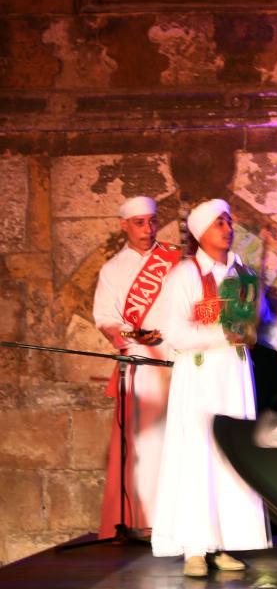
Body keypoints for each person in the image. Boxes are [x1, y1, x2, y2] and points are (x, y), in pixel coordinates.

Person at [151, 199, 277, 577]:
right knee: (198, 454)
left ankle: (223, 542)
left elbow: (261, 325)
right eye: (219, 223)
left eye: (229, 222)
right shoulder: (184, 275)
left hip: (234, 376)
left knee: (229, 455)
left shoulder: (243, 274)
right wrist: (222, 334)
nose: (228, 229)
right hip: (200, 377)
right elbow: (174, 332)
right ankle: (195, 548)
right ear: (200, 232)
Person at [93, 196, 182, 538]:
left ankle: (183, 520)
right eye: (139, 223)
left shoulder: (176, 260)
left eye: (152, 221)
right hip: (142, 364)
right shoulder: (112, 270)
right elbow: (105, 318)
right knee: (148, 445)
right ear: (124, 225)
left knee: (183, 438)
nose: (148, 229)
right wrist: (134, 333)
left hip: (180, 356)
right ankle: (149, 520)